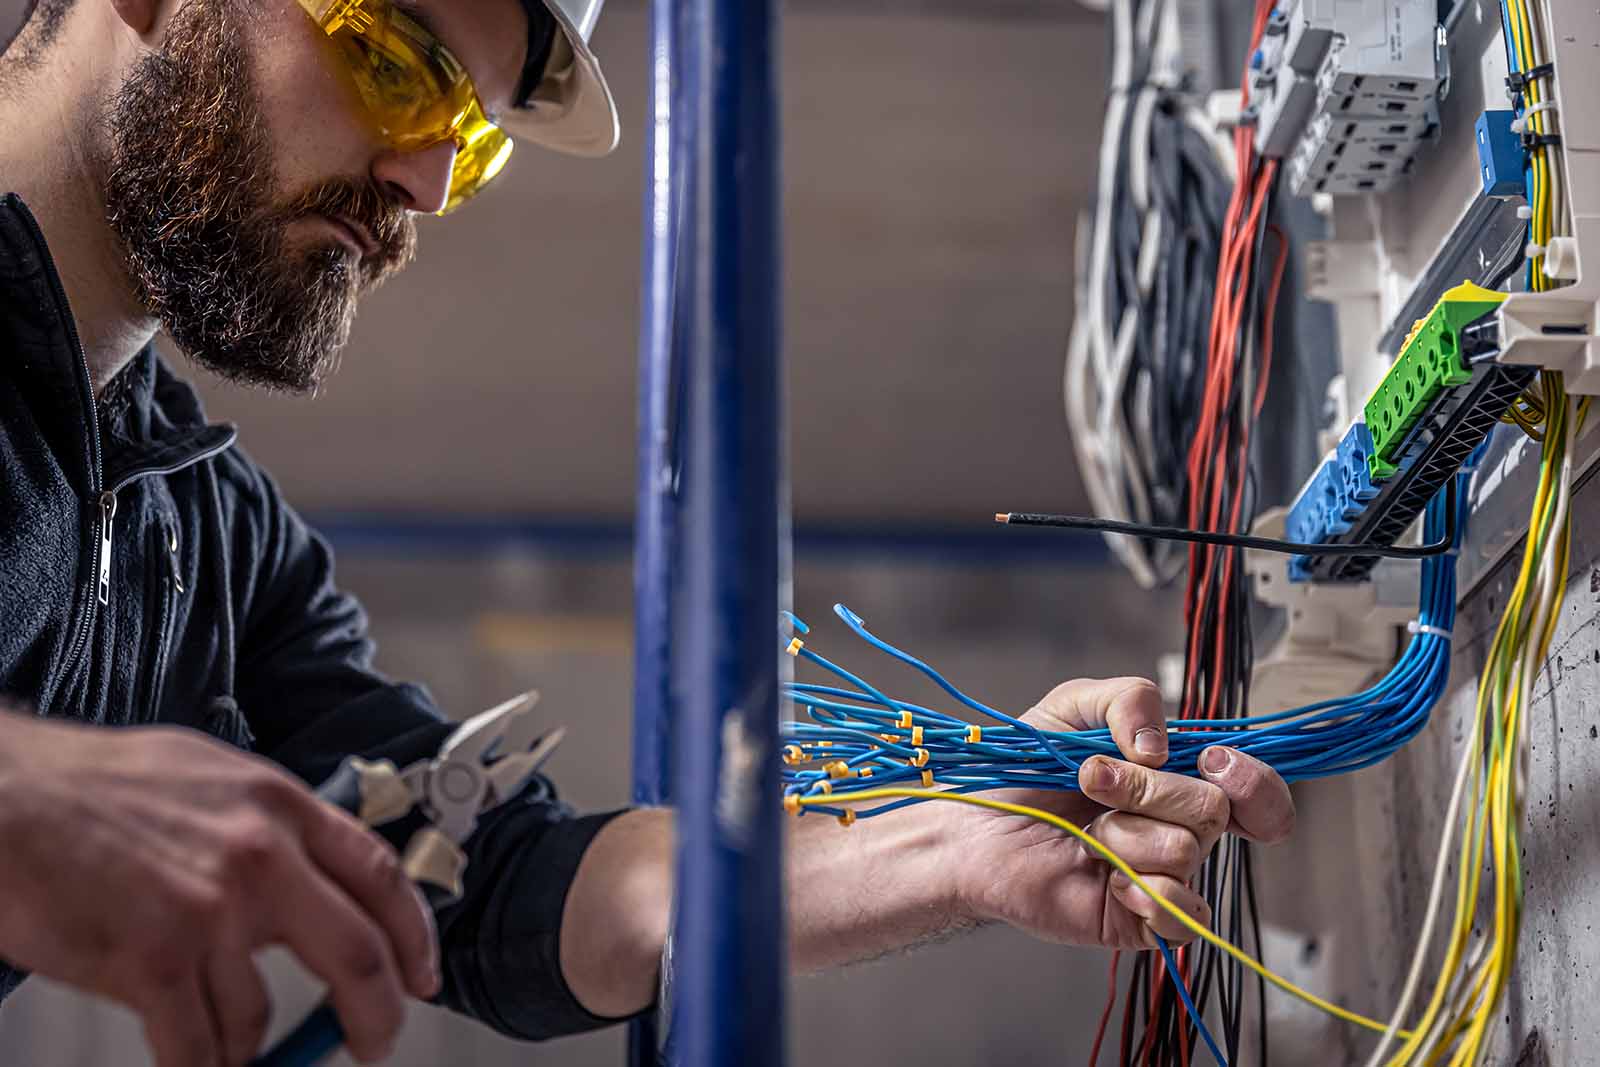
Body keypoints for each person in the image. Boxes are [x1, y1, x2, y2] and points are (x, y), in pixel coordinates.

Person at [0, 1, 1297, 1064]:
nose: (427, 184)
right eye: (393, 62)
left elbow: (503, 892)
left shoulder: (195, 535)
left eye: (471, 134)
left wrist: (953, 835)